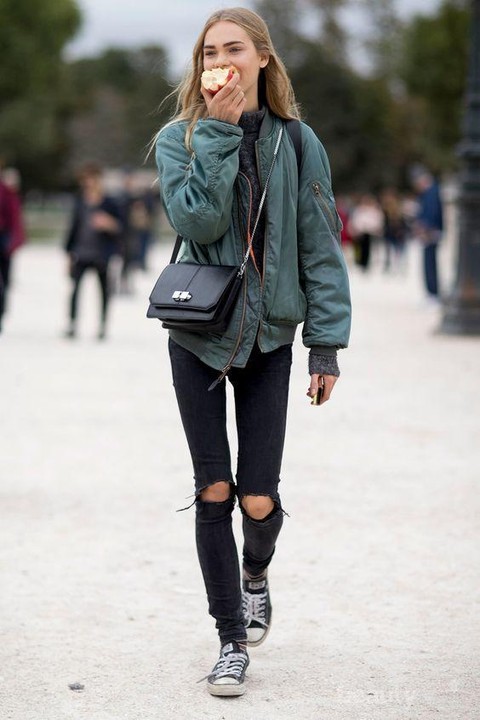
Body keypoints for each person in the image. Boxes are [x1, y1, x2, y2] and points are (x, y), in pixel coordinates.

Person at [153, 7, 351, 697]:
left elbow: (320, 244)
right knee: (214, 488)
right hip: (198, 336)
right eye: (210, 52)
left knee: (259, 498)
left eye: (234, 49)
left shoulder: (298, 141)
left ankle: (256, 572)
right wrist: (217, 131)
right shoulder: (179, 138)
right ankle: (231, 640)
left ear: (262, 58)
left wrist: (325, 347)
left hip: (270, 338)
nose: (221, 62)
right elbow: (199, 220)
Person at [64, 163, 122, 339]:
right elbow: (73, 229)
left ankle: (102, 325)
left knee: (104, 292)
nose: (89, 183)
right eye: (86, 179)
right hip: (80, 253)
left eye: (92, 179)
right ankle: (72, 324)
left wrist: (108, 223)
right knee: (75, 290)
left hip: (102, 255)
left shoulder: (109, 202)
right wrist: (68, 253)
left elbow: (121, 227)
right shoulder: (80, 201)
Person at [411, 165, 443, 301]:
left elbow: (431, 213)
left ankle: (433, 293)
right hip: (430, 232)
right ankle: (431, 292)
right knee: (429, 263)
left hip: (430, 232)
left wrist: (424, 227)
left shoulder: (432, 192)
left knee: (430, 263)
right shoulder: (430, 192)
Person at [0, 167, 26, 334]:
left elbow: (16, 222)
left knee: (5, 282)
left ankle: (1, 314)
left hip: (5, 243)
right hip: (4, 240)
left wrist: (15, 242)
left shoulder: (11, 196)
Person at [348, 193, 384, 272]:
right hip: (361, 233)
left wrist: (373, 228)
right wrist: (356, 229)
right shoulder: (359, 210)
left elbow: (377, 221)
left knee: (370, 249)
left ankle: (368, 264)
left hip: (371, 233)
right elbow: (356, 221)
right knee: (360, 249)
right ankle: (360, 263)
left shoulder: (375, 210)